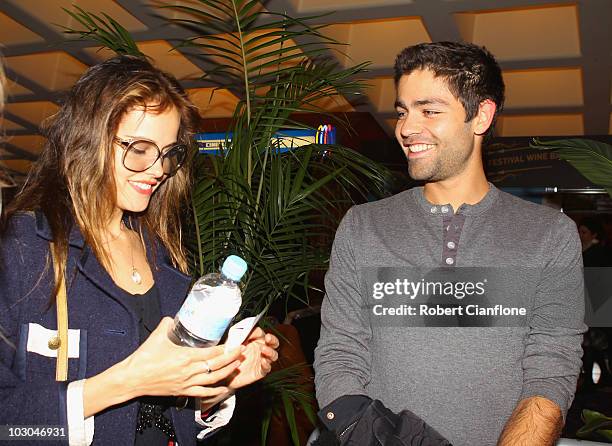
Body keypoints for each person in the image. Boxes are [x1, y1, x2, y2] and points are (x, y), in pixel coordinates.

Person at [314, 42, 585, 445]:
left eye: (430, 111)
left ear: (481, 115)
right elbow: (341, 351)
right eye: (403, 111)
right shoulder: (363, 226)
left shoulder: (550, 235)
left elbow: (551, 367)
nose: (406, 127)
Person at [0, 55, 279, 445]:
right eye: (140, 148)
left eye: (168, 153)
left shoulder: (167, 266)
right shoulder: (22, 250)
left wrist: (219, 386)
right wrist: (124, 383)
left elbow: (167, 411)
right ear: (88, 139)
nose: (158, 169)